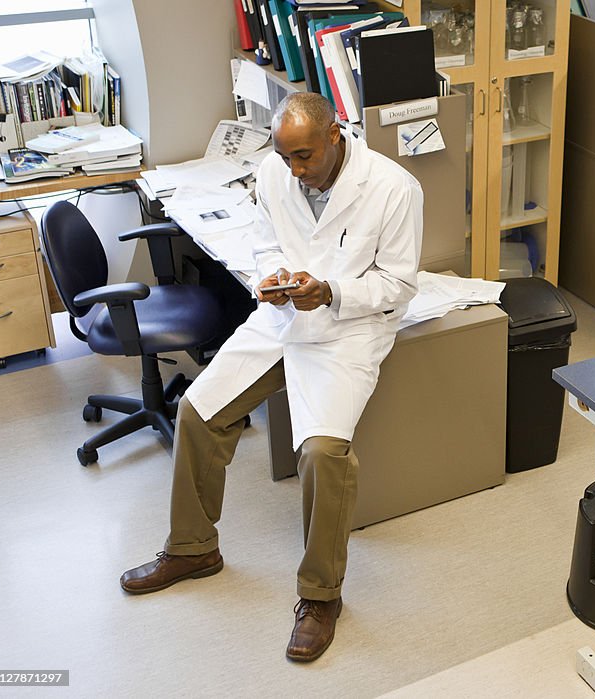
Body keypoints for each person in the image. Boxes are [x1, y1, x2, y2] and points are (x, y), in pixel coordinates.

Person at [120, 92, 423, 662]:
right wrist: (274, 276)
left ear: (336, 136)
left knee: (324, 454)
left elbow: (400, 286)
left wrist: (331, 290)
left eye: (304, 157)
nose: (295, 171)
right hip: (281, 318)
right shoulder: (275, 170)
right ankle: (192, 548)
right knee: (199, 411)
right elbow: (262, 243)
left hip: (346, 332)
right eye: (286, 159)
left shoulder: (394, 188)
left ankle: (320, 595)